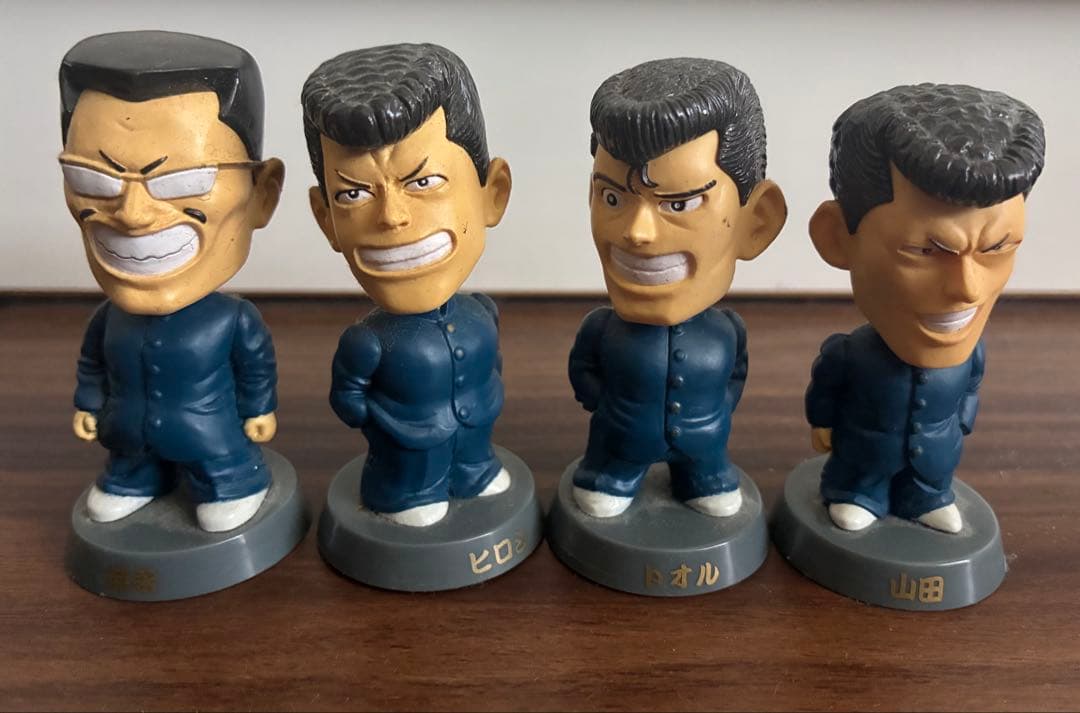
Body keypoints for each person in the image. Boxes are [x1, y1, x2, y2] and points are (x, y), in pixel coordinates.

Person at [62, 31, 285, 532]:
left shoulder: (231, 319)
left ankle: (233, 484)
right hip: (128, 429)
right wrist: (88, 402)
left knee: (219, 464)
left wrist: (259, 409)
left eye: (183, 182)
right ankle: (134, 481)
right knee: (129, 461)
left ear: (261, 194)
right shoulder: (107, 319)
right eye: (94, 181)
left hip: (210, 433)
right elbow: (92, 363)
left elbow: (255, 367)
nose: (133, 214)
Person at [805, 83, 1046, 533]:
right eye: (925, 251)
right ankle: (859, 493)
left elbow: (970, 389)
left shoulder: (972, 355)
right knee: (857, 487)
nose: (967, 290)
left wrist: (962, 424)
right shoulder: (850, 354)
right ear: (838, 238)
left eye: (996, 248)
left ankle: (926, 496)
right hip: (862, 459)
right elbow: (826, 392)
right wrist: (823, 425)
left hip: (935, 462)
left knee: (929, 489)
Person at [301, 43, 514, 527]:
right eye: (353, 194)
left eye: (424, 183)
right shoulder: (367, 341)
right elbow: (348, 397)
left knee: (476, 464)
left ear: (493, 193)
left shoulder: (482, 311)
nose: (392, 217)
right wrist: (383, 427)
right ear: (326, 218)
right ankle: (407, 494)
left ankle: (474, 473)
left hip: (476, 437)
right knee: (411, 487)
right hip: (406, 452)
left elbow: (492, 363)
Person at [569, 58, 787, 518]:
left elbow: (736, 376)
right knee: (603, 490)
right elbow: (584, 371)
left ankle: (703, 478)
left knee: (711, 486)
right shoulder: (603, 330)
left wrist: (715, 414)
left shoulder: (727, 331)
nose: (637, 233)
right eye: (612, 197)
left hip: (704, 444)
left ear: (755, 221)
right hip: (619, 441)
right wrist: (607, 407)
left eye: (680, 203)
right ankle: (611, 476)